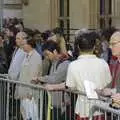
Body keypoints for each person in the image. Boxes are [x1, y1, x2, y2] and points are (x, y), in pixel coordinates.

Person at [66, 30, 111, 120]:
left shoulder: (73, 65)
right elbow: (108, 82)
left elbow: (71, 86)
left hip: (83, 109)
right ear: (94, 47)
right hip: (101, 107)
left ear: (78, 47)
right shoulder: (103, 63)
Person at [32, 40, 70, 120]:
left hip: (62, 104)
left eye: (47, 54)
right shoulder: (54, 63)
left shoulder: (64, 63)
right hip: (55, 102)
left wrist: (40, 78)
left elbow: (54, 79)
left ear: (55, 51)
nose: (46, 57)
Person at [15, 35, 42, 120]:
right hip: (24, 92)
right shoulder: (26, 55)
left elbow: (34, 75)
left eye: (24, 44)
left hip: (30, 94)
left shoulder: (36, 57)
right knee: (25, 115)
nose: (22, 46)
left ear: (30, 45)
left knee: (32, 116)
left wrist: (30, 92)